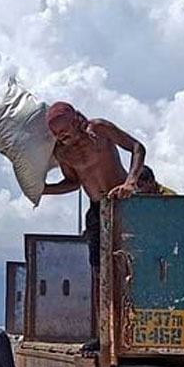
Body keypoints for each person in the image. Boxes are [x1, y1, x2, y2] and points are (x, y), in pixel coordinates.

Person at [41, 101, 146, 349]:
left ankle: (138, 328)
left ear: (76, 120)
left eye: (65, 132)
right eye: (57, 135)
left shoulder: (99, 129)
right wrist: (44, 190)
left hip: (125, 204)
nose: (63, 138)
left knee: (134, 269)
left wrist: (131, 182)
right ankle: (104, 335)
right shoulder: (62, 153)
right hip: (97, 209)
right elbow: (72, 182)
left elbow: (137, 147)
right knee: (100, 274)